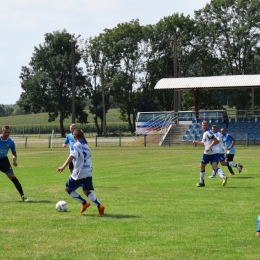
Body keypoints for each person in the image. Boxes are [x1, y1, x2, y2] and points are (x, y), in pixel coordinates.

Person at [57, 129, 105, 215]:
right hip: (88, 171)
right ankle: (99, 205)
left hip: (80, 172)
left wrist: (63, 167)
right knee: (86, 190)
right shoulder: (86, 146)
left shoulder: (75, 145)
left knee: (67, 188)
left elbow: (72, 156)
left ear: (74, 137)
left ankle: (84, 203)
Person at [193, 121, 228, 187]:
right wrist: (196, 142)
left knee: (202, 166)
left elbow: (216, 141)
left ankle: (202, 183)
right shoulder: (206, 133)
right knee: (215, 167)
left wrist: (209, 147)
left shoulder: (208, 133)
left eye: (205, 125)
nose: (203, 126)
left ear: (208, 125)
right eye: (202, 125)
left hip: (208, 153)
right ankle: (223, 176)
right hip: (215, 152)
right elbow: (203, 143)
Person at [0, 125, 29, 201]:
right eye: (5, 132)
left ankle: (23, 195)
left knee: (11, 176)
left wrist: (14, 161)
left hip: (3, 160)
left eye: (8, 132)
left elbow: (14, 153)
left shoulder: (11, 142)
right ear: (2, 131)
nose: (7, 134)